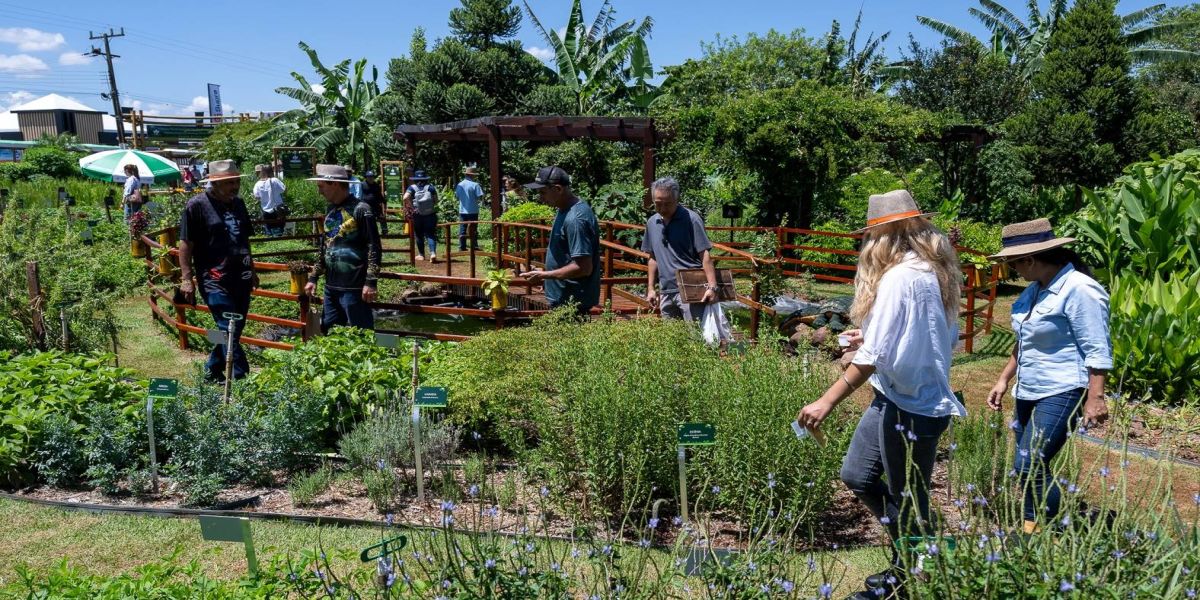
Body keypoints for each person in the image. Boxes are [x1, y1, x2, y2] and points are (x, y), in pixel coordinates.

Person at [795, 190, 965, 600]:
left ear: (882, 237)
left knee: (907, 497)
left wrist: (826, 400)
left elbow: (875, 356)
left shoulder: (903, 277)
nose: (864, 246)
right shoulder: (930, 270)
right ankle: (918, 549)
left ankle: (906, 578)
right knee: (857, 475)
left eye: (868, 237)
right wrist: (867, 333)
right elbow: (917, 334)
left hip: (914, 405)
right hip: (893, 395)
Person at [986, 218, 1111, 535]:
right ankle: (1032, 530)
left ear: (1029, 259)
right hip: (1028, 390)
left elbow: (1097, 348)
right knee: (1029, 466)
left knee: (1029, 465)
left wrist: (1095, 398)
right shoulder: (1034, 291)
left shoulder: (1080, 289)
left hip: (1063, 388)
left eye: (1012, 264)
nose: (1012, 271)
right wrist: (1004, 379)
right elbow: (1024, 339)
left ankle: (1054, 532)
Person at [177, 160, 257, 382]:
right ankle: (242, 378)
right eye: (229, 182)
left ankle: (211, 370)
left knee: (235, 328)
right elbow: (185, 244)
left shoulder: (239, 203)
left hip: (241, 277)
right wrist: (186, 279)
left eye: (237, 181)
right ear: (214, 183)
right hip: (214, 279)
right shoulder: (197, 205)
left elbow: (244, 238)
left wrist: (252, 267)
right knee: (227, 326)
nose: (235, 186)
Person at [304, 164, 382, 333]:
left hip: (355, 288)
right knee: (328, 331)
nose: (319, 191)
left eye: (321, 187)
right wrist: (313, 277)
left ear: (335, 184)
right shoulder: (330, 209)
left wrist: (371, 281)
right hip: (331, 287)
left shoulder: (362, 210)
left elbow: (373, 246)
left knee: (362, 335)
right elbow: (324, 246)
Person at [520, 166, 600, 316]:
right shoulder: (563, 209)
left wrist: (545, 276)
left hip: (573, 303)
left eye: (543, 192)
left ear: (558, 189)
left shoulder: (575, 219)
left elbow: (583, 267)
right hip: (563, 298)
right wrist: (547, 276)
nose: (540, 197)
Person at [642, 176, 719, 321]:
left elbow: (705, 254)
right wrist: (651, 288)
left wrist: (712, 287)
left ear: (677, 201)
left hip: (692, 288)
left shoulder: (692, 219)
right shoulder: (652, 223)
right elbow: (652, 258)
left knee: (695, 337)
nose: (662, 208)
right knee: (672, 339)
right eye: (658, 204)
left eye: (668, 204)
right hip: (666, 290)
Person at [404, 170, 439, 261]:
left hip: (417, 214)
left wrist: (412, 207)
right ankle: (432, 253)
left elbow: (405, 197)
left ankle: (421, 255)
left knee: (419, 234)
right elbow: (436, 201)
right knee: (430, 234)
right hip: (430, 214)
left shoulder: (412, 188)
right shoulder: (430, 187)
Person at [252, 164, 287, 237]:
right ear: (271, 171)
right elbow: (283, 190)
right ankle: (279, 243)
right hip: (278, 209)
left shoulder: (257, 184)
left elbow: (257, 197)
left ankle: (270, 243)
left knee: (268, 229)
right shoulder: (275, 180)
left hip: (265, 210)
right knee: (280, 230)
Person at [455, 166, 484, 251]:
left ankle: (462, 246)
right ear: (472, 175)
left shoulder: (459, 185)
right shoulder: (475, 185)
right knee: (474, 228)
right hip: (473, 210)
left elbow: (457, 196)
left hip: (462, 210)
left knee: (462, 228)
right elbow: (479, 196)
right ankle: (474, 245)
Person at [360, 170, 388, 235]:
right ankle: (366, 232)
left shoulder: (376, 185)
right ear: (366, 177)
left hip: (376, 205)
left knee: (381, 217)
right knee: (367, 219)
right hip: (365, 206)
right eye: (369, 177)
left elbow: (379, 195)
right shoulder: (362, 184)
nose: (371, 178)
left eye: (372, 177)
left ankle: (385, 231)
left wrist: (384, 202)